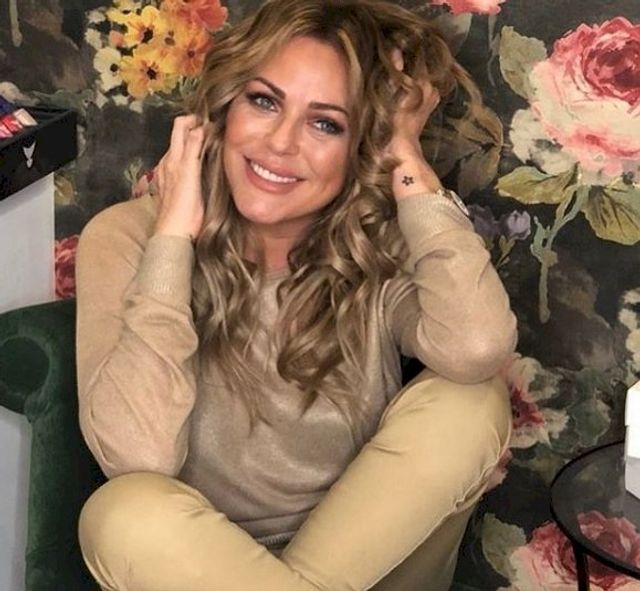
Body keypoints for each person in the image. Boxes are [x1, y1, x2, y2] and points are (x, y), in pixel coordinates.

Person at [75, 0, 517, 589]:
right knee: (123, 514)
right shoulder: (127, 238)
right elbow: (138, 456)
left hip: (382, 567)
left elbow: (477, 346)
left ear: (365, 144)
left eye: (326, 123)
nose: (281, 143)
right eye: (264, 101)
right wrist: (173, 237)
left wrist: (407, 157)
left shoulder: (379, 242)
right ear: (223, 108)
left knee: (472, 400)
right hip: (197, 571)